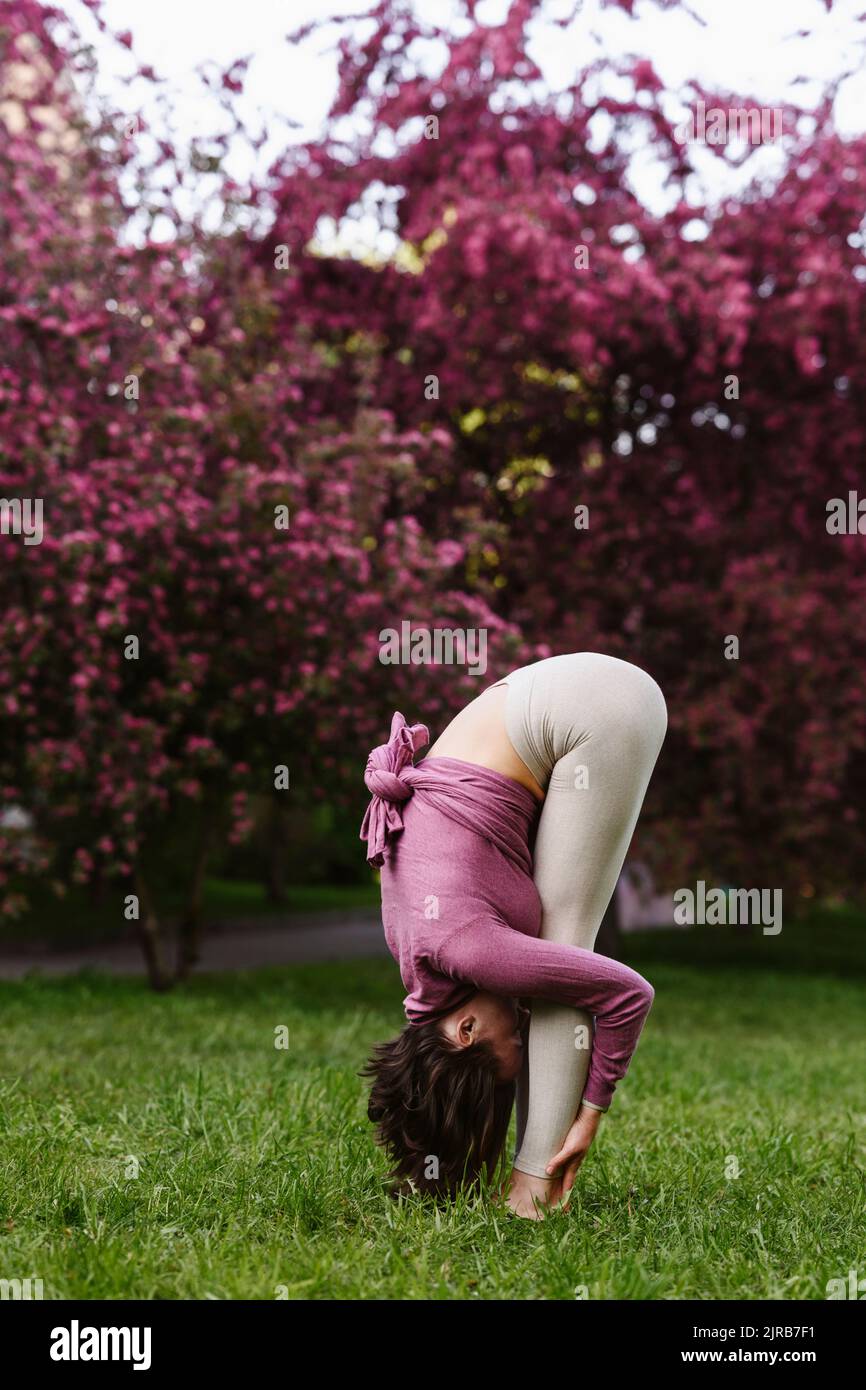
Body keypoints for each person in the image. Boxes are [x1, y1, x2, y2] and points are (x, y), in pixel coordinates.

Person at [359, 652, 667, 1218]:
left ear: (467, 1029)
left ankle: (535, 1192)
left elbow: (627, 994)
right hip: (544, 692)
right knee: (550, 967)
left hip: (597, 708)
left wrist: (593, 1110)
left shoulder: (468, 950)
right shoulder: (419, 962)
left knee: (564, 957)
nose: (522, 1039)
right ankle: (531, 1179)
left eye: (512, 1047)